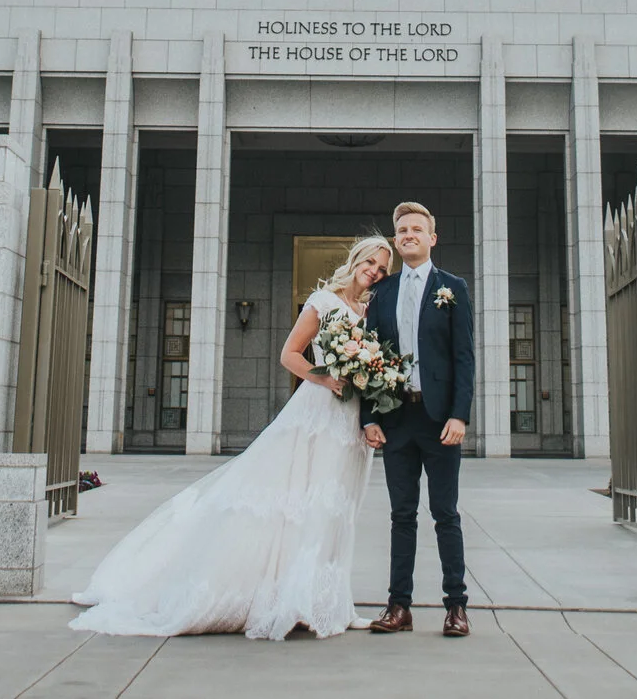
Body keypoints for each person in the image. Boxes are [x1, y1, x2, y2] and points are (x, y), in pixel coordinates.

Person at [69, 234, 396, 639]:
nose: (374, 272)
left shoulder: (372, 311)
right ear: (356, 260)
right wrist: (325, 378)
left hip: (352, 422)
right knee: (301, 504)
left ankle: (328, 603)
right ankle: (291, 600)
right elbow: (289, 355)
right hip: (318, 413)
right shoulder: (323, 302)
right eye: (370, 263)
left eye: (382, 269)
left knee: (336, 511)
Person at [359, 201, 476, 637]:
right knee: (402, 515)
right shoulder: (382, 292)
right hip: (397, 419)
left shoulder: (453, 288)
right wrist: (369, 417)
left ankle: (456, 606)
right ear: (396, 239)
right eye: (402, 230)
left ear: (432, 238)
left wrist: (459, 415)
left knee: (445, 513)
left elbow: (464, 358)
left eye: (416, 229)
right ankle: (399, 606)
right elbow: (367, 358)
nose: (409, 235)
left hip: (439, 420)